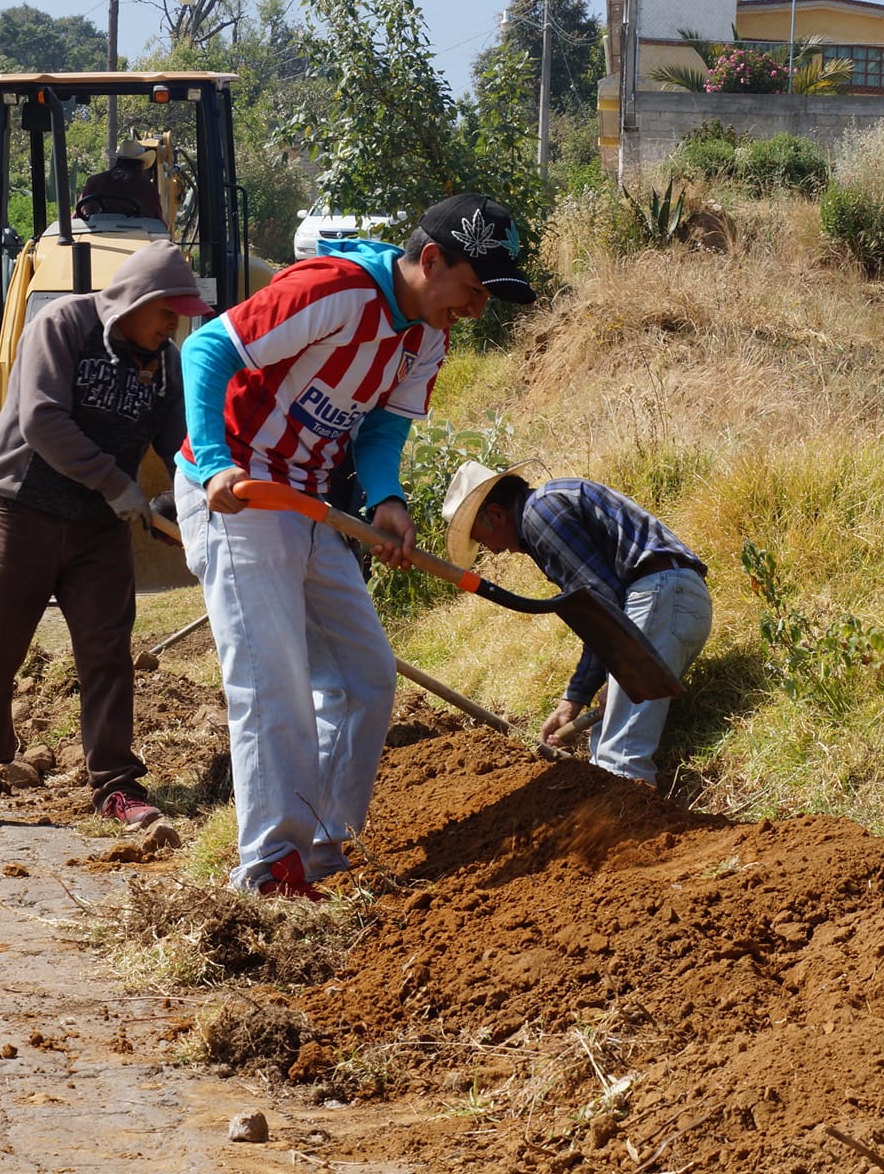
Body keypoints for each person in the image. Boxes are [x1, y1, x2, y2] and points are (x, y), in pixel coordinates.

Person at [172, 192, 536, 899]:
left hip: (311, 502)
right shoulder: (335, 292)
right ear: (431, 260)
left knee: (364, 676)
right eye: (472, 289)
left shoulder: (427, 333)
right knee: (272, 679)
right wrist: (216, 459)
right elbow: (208, 347)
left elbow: (380, 431)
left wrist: (387, 500)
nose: (476, 308)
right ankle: (269, 871)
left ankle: (321, 849)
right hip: (244, 494)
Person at [0, 241, 213, 832]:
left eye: (180, 315)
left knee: (108, 654)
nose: (174, 323)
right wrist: (115, 480)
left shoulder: (164, 361)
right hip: (22, 513)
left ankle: (115, 784)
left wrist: (195, 498)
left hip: (98, 530)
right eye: (168, 310)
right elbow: (41, 418)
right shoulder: (62, 324)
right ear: (137, 298)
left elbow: (182, 446)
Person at [441, 463, 712, 785]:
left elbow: (600, 607)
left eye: (482, 538)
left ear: (497, 513)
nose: (494, 551)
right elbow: (603, 606)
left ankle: (635, 830)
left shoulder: (540, 514)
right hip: (677, 600)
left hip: (660, 596)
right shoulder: (550, 503)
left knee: (619, 761)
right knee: (606, 741)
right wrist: (599, 687)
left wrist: (574, 697)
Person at [76, 140, 165, 222]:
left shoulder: (94, 181)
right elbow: (157, 219)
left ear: (118, 160)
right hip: (135, 236)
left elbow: (80, 212)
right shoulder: (147, 188)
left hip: (96, 233)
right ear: (140, 165)